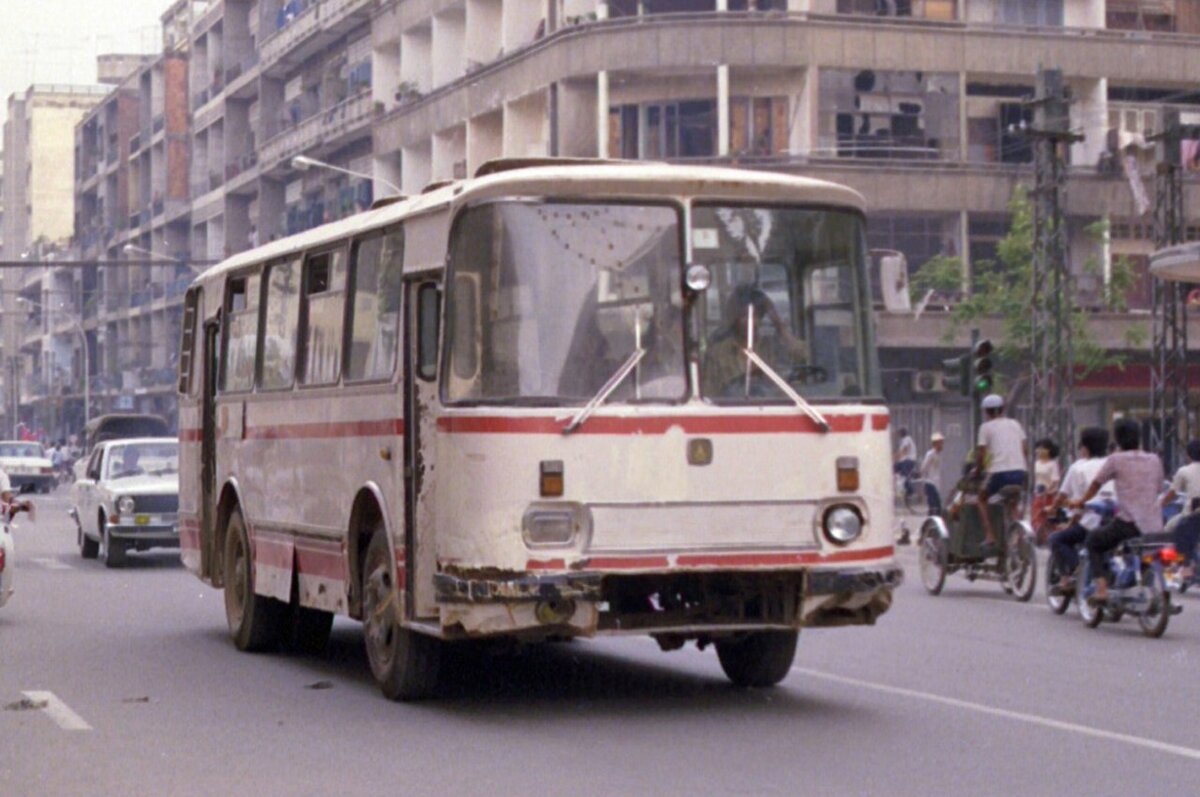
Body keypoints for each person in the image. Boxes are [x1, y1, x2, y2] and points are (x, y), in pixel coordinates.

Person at [1071, 418, 1164, 604]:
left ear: (1118, 439)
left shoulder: (1116, 459)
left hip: (1129, 523)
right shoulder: (1154, 459)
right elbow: (1159, 488)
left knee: (1094, 541)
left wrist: (1082, 500)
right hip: (1154, 524)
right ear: (1139, 438)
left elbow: (1097, 483)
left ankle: (1102, 590)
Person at [701, 284, 805, 397]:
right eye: (744, 316)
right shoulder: (718, 353)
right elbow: (708, 393)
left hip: (772, 407)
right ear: (735, 319)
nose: (750, 322)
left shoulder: (772, 347)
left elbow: (803, 357)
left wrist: (779, 325)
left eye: (755, 316)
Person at [1047, 427, 1113, 588]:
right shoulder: (1113, 463)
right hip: (1116, 521)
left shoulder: (1078, 467)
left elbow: (1069, 498)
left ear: (1085, 447)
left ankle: (1073, 573)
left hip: (1092, 522)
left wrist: (1053, 509)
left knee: (1057, 539)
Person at [974, 393, 1028, 553]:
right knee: (1013, 503)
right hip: (1019, 471)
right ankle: (1020, 534)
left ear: (986, 412)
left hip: (998, 473)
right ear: (1002, 409)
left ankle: (990, 536)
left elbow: (981, 454)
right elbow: (1025, 449)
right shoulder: (1015, 424)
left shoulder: (985, 427)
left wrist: (978, 470)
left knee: (981, 499)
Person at [1162, 439, 1200, 584]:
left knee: (1169, 528)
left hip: (1193, 513)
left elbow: (1172, 493)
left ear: (1188, 456)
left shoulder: (1183, 470)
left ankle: (1182, 567)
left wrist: (1160, 504)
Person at [1031, 437, 1061, 541]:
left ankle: (1052, 537)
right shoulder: (1036, 463)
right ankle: (1039, 537)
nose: (1038, 451)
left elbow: (1055, 480)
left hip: (1050, 495)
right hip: (1038, 494)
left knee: (1050, 518)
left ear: (1049, 450)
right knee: (1037, 516)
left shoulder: (1052, 464)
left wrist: (1049, 490)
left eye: (1042, 448)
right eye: (1038, 448)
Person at [918, 432, 944, 515]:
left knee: (937, 508)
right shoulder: (930, 454)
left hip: (935, 484)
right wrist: (924, 480)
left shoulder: (938, 455)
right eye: (940, 443)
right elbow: (923, 468)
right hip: (930, 483)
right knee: (934, 508)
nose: (942, 445)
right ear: (935, 443)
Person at [894, 427, 918, 500]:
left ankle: (911, 491)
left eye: (899, 433)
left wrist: (896, 457)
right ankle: (900, 488)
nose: (898, 435)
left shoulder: (907, 439)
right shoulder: (905, 440)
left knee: (904, 475)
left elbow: (904, 449)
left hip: (909, 460)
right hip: (905, 460)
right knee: (894, 469)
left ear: (902, 433)